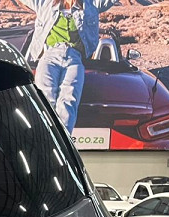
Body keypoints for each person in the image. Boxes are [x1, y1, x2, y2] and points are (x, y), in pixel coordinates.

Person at [20, 0, 117, 134]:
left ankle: (62, 143)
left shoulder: (91, 4)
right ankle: (44, 140)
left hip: (74, 58)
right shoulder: (45, 3)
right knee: (45, 98)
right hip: (49, 57)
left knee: (68, 101)